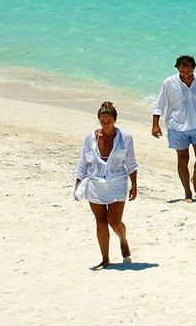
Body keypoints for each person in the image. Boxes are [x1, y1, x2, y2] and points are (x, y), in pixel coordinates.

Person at [73, 101, 138, 270]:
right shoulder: (90, 138)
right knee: (100, 221)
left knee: (114, 221)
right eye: (102, 121)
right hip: (95, 183)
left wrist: (134, 184)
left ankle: (123, 240)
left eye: (109, 121)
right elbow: (82, 163)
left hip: (117, 183)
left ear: (115, 120)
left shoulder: (125, 138)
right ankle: (105, 258)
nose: (106, 124)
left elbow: (131, 163)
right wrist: (78, 183)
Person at [151, 55, 196, 202]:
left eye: (188, 71)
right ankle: (187, 193)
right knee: (183, 159)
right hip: (177, 126)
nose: (185, 74)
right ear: (178, 69)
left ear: (193, 69)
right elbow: (159, 104)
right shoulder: (169, 83)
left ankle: (195, 179)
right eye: (182, 72)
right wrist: (155, 124)